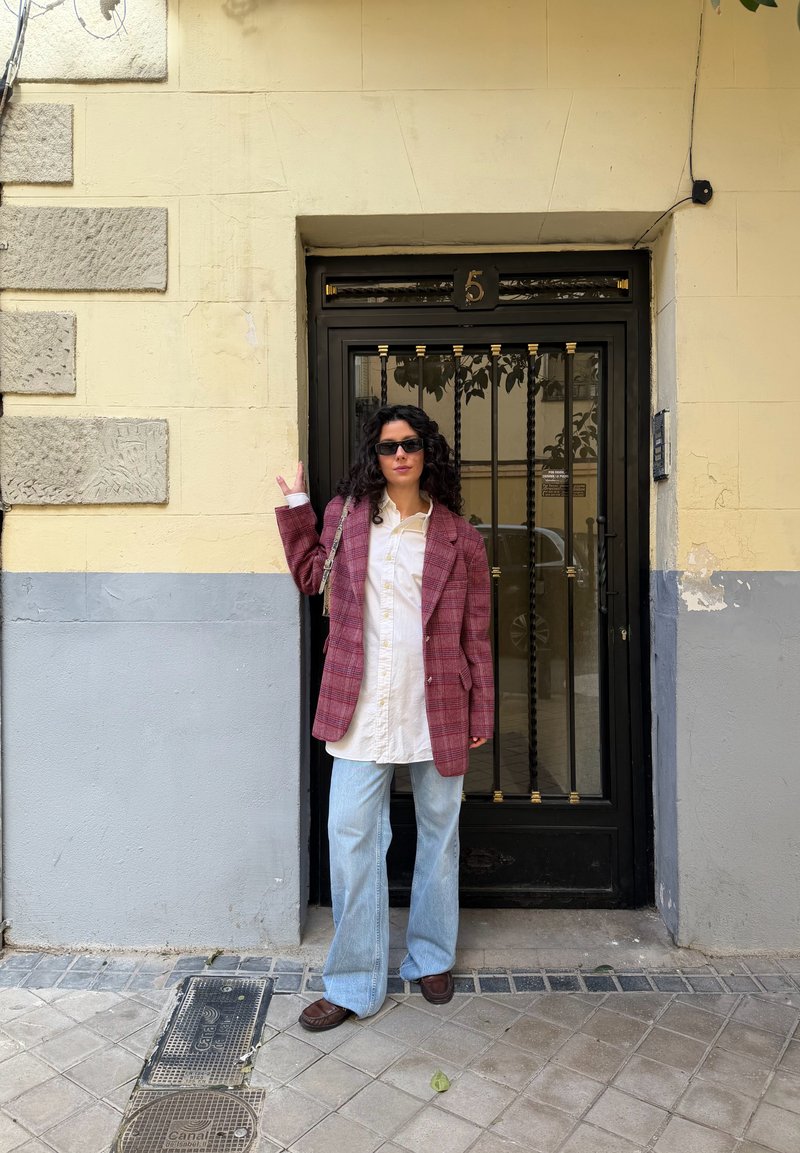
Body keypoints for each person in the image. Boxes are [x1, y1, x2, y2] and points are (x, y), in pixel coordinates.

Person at [275, 404, 493, 1030]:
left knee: (439, 833)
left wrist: (482, 704)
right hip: (362, 703)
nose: (400, 455)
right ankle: (353, 982)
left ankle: (429, 956)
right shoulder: (346, 518)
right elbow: (311, 578)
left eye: (412, 444)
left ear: (429, 454)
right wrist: (296, 505)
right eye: (388, 446)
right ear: (373, 456)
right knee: (350, 838)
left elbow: (476, 633)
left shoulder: (459, 536)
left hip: (438, 704)